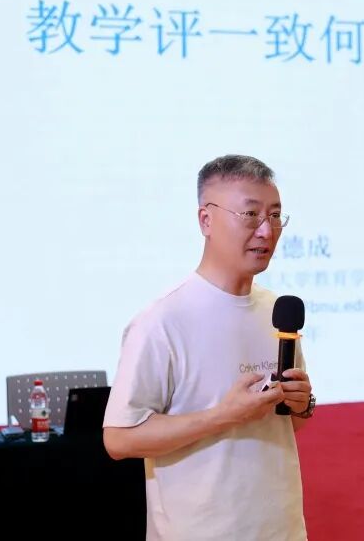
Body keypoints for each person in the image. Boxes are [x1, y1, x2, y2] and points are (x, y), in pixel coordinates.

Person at [103, 154, 315, 540]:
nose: (266, 230)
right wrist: (223, 416)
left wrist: (301, 404)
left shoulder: (277, 311)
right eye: (250, 214)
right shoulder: (162, 321)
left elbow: (289, 422)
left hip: (281, 529)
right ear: (206, 220)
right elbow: (119, 439)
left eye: (274, 215)